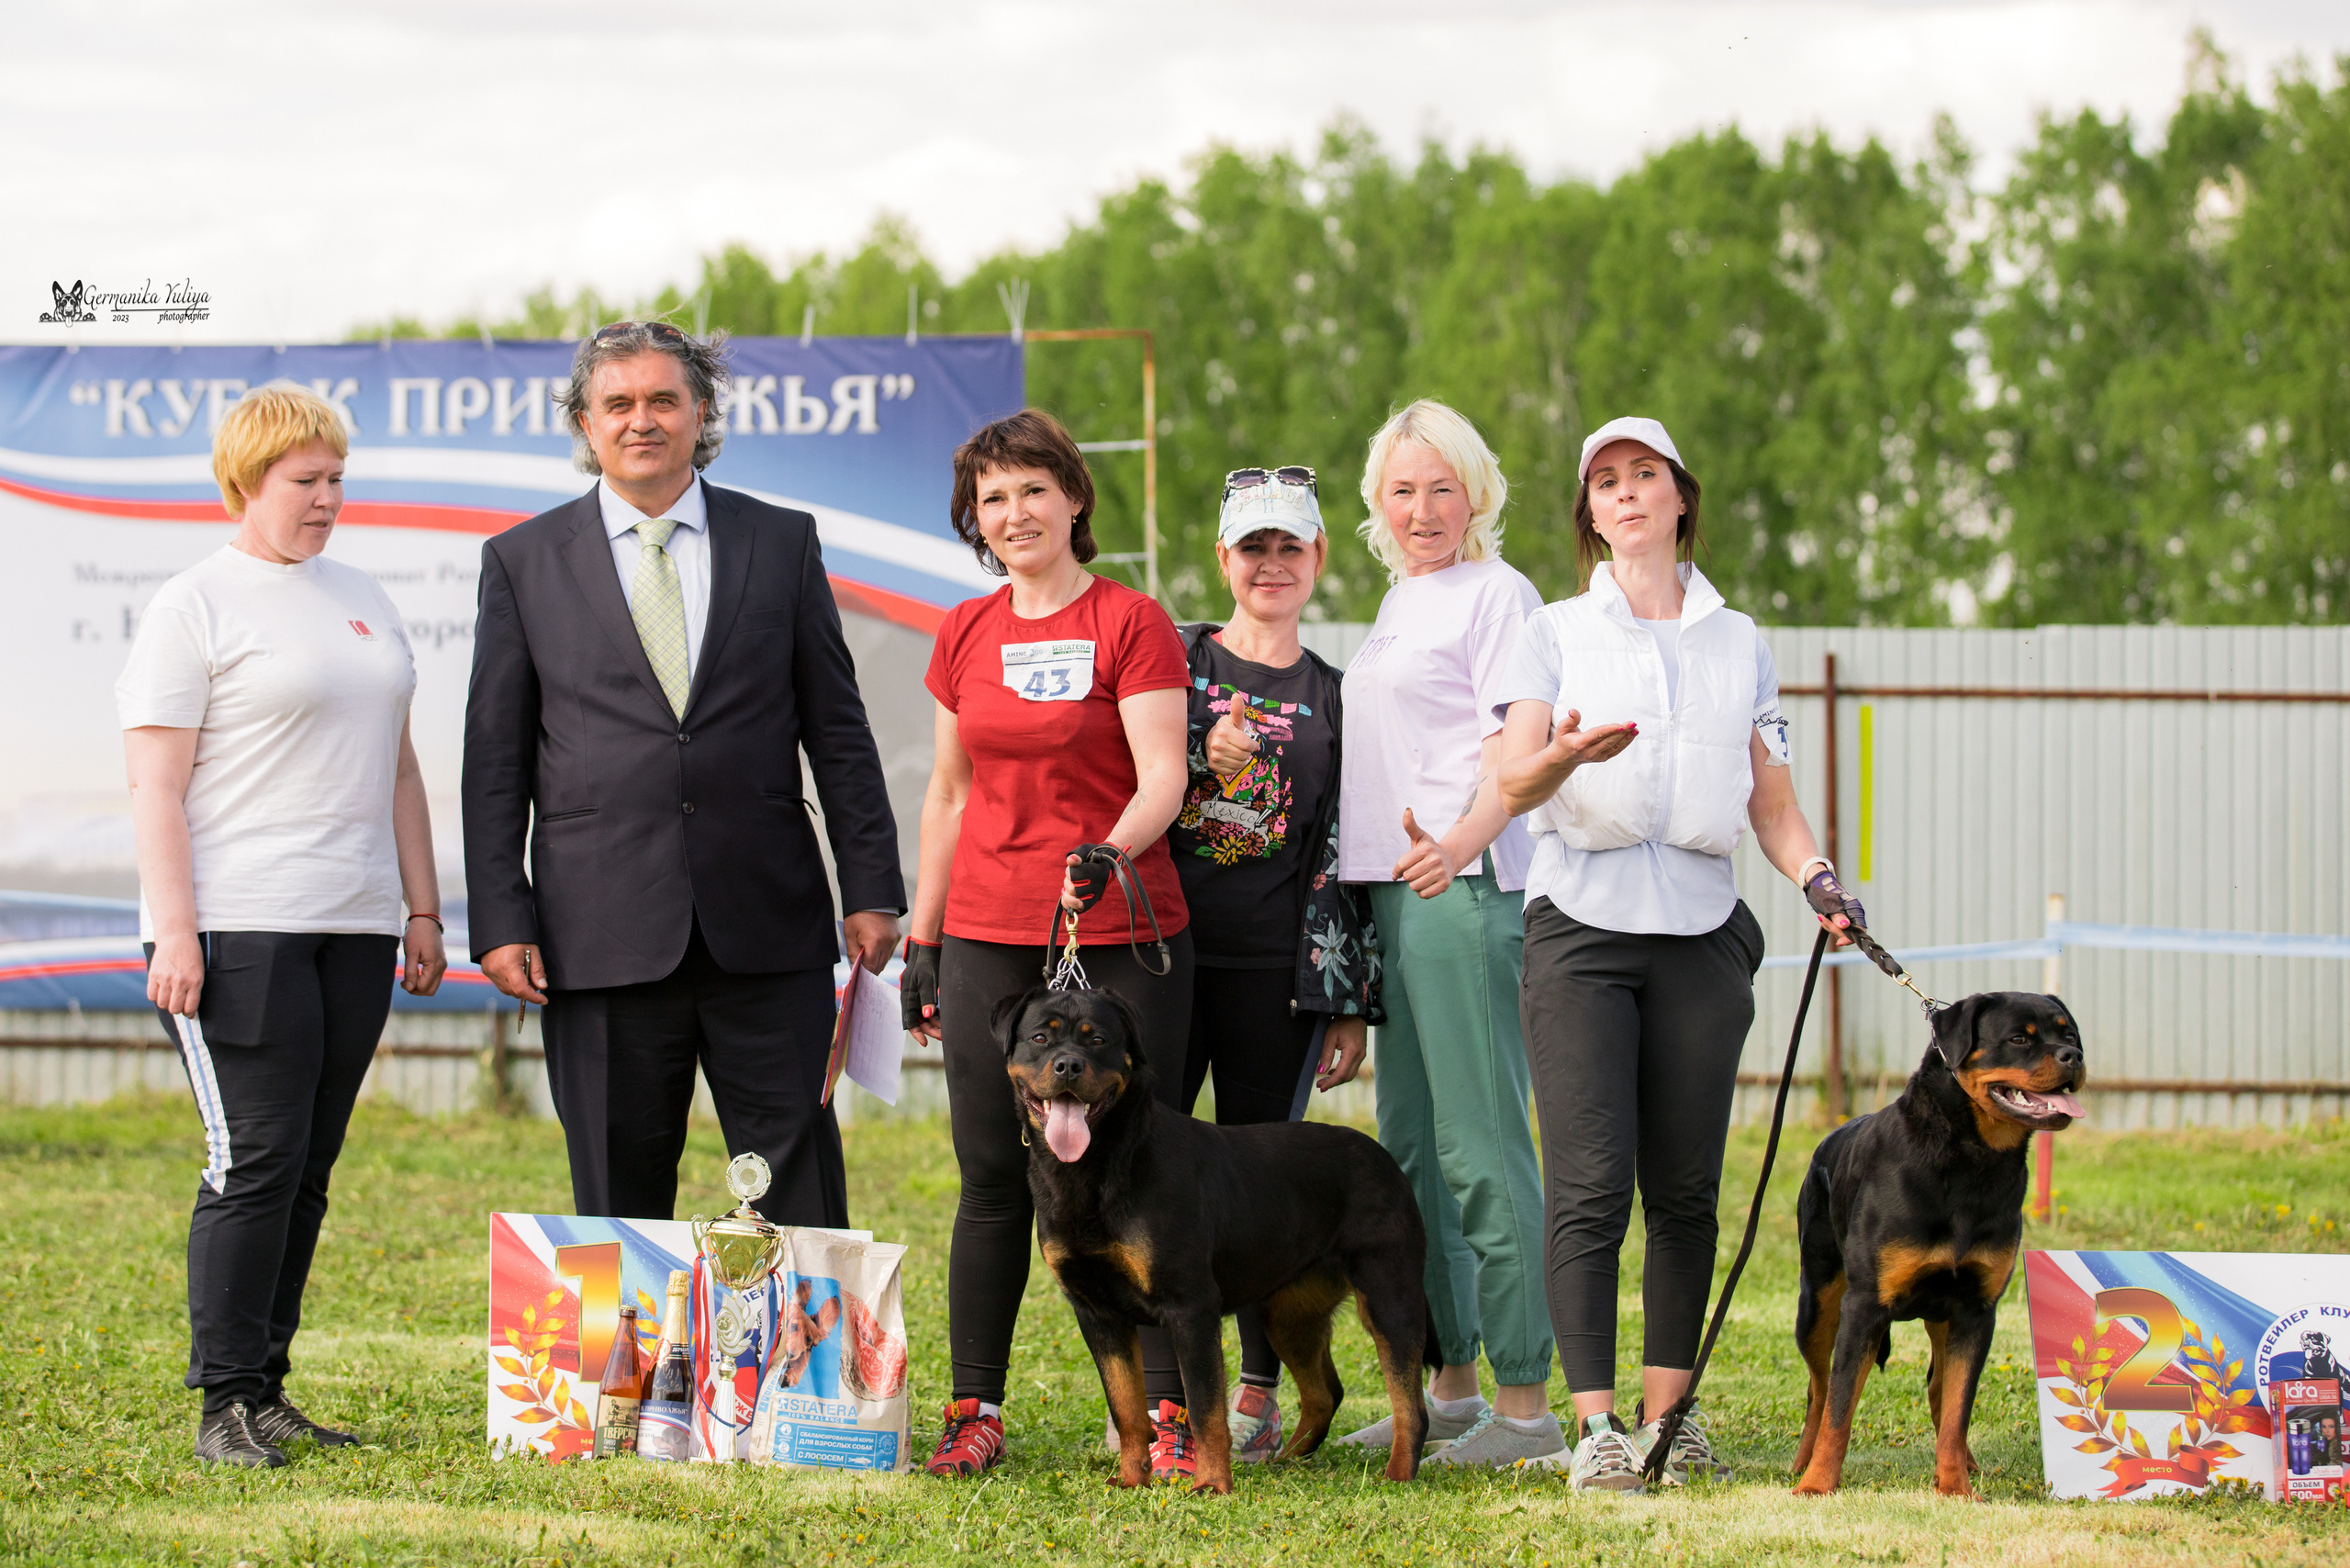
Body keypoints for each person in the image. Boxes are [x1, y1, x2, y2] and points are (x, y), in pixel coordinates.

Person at [462, 321, 903, 1229]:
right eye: (617, 403)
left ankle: (800, 1374)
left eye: (663, 399)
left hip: (768, 930)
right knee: (617, 1200)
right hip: (598, 937)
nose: (641, 420)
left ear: (700, 412)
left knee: (801, 1191)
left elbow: (839, 730)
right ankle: (625, 1378)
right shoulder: (522, 561)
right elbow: (496, 761)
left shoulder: (782, 543)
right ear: (584, 425)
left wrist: (871, 888)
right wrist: (502, 917)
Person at [1495, 416, 1857, 1493]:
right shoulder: (1554, 630)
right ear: (1589, 513)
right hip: (1581, 934)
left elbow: (1774, 804)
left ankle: (1667, 1418)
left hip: (1700, 936)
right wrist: (1559, 754)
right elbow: (1511, 785)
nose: (1624, 493)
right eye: (1603, 481)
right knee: (1591, 1185)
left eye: (1642, 474)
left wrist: (1820, 882)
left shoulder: (1737, 639)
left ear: (1680, 496)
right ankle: (1597, 1427)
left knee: (1686, 1190)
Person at [119, 385, 447, 1468]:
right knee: (252, 1157)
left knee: (306, 1165)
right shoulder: (195, 603)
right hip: (237, 929)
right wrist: (176, 931)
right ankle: (221, 1403)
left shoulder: (361, 595)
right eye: (304, 481)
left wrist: (422, 906)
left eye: (336, 479)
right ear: (246, 482)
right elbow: (154, 787)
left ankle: (267, 1391)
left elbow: (399, 765)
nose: (327, 499)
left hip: (351, 927)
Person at [899, 409, 1195, 1480]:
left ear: (1074, 497)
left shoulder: (1133, 622)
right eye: (992, 498)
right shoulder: (965, 632)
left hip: (1118, 929)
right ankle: (973, 1406)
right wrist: (924, 935)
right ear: (973, 523)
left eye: (1032, 490)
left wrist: (1107, 851)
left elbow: (1164, 776)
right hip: (985, 931)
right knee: (990, 1177)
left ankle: (1168, 1418)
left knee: (1139, 1181)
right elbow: (947, 791)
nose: (1013, 513)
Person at [1331, 399, 1561, 1467]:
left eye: (1441, 487)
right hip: (1388, 895)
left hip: (1459, 892)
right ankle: (1453, 1382)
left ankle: (1526, 1405)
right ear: (1377, 502)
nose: (1422, 509)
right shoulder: (1397, 600)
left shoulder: (1499, 595)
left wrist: (1461, 842)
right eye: (1401, 489)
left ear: (1476, 491)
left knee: (1481, 1147)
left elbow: (1520, 748)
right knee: (1413, 1153)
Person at [1168, 465, 1379, 1462]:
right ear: (1223, 559)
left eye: (1288, 546)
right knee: (1155, 1174)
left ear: (1317, 559)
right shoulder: (1174, 662)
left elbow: (1342, 850)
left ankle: (1255, 1386)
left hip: (1273, 972)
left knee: (1257, 1185)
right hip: (1159, 956)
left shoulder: (1337, 697)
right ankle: (1168, 1402)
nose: (1270, 564)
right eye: (1252, 547)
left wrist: (1344, 1000)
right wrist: (1186, 746)